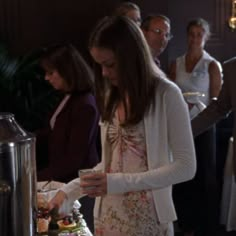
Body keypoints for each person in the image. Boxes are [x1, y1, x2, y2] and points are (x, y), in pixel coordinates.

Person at [48, 16, 196, 236]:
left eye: (110, 65)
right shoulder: (113, 96)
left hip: (148, 219)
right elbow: (111, 164)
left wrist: (117, 182)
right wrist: (69, 191)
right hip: (107, 216)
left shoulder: (167, 94)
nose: (104, 73)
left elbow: (186, 167)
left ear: (132, 57)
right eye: (100, 66)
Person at [36, 43, 100, 233]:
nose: (47, 78)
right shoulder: (69, 97)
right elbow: (48, 134)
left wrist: (37, 178)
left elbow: (75, 158)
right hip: (63, 182)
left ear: (67, 71)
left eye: (51, 72)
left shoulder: (85, 104)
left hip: (80, 187)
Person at [169, 18, 222, 236]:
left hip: (204, 126)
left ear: (206, 37)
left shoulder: (212, 65)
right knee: (182, 173)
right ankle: (184, 222)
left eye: (200, 34)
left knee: (203, 174)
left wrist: (197, 105)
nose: (195, 38)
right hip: (181, 125)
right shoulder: (176, 63)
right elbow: (170, 94)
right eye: (192, 34)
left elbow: (218, 101)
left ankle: (204, 224)